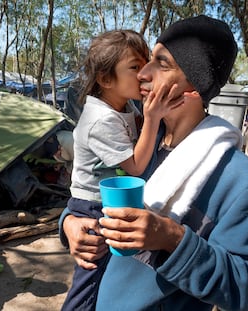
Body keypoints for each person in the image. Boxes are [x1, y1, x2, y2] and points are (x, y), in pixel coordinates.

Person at [59, 15, 248, 311]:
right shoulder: (138, 141)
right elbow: (92, 194)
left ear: (194, 86)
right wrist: (70, 224)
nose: (143, 74)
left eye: (162, 64)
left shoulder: (238, 181)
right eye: (146, 60)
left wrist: (173, 240)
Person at [62, 30, 181, 311]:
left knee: (105, 279)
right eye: (135, 67)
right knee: (89, 283)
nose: (143, 74)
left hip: (106, 201)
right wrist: (153, 117)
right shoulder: (100, 119)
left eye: (147, 65)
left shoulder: (122, 107)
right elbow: (137, 168)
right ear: (105, 80)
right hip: (91, 207)